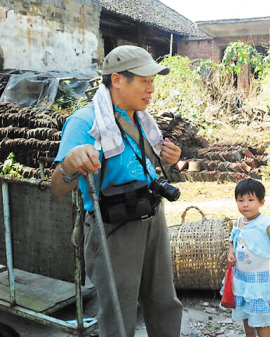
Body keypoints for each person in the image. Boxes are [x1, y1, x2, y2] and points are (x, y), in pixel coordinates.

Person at [50, 45, 183, 337]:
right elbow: (57, 187)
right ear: (118, 79)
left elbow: (144, 166)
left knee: (165, 302)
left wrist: (170, 159)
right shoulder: (85, 122)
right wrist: (70, 165)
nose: (151, 88)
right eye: (144, 80)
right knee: (119, 312)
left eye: (153, 80)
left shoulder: (140, 118)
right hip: (113, 228)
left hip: (152, 219)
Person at [226, 179, 270, 337]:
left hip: (258, 283)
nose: (245, 204)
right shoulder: (239, 222)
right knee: (246, 319)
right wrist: (231, 253)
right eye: (240, 200)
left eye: (250, 200)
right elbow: (233, 240)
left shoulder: (267, 224)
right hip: (241, 280)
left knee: (261, 322)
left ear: (261, 202)